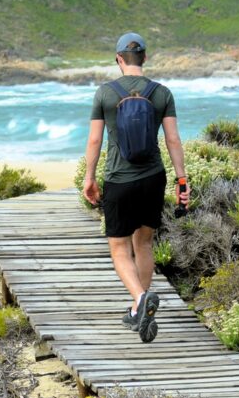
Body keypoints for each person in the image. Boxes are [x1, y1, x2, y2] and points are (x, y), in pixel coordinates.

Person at [81, 32, 189, 342]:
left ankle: (140, 299)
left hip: (118, 179)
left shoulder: (105, 94)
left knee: (118, 248)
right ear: (144, 58)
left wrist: (89, 177)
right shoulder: (161, 93)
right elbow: (173, 140)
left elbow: (94, 140)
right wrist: (182, 180)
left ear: (118, 59)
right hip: (153, 178)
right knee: (143, 243)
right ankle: (136, 310)